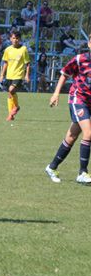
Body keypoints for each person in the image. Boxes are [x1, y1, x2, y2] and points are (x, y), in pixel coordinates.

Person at [46, 36, 91, 185]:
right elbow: (64, 74)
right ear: (90, 44)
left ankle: (52, 167)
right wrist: (56, 94)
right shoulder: (80, 59)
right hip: (77, 99)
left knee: (71, 136)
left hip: (89, 103)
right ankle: (82, 173)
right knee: (89, 133)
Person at [0, 30, 30, 122]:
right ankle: (10, 114)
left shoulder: (23, 49)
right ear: (10, 39)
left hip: (18, 75)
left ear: (19, 39)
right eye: (13, 38)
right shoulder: (8, 50)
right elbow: (5, 63)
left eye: (17, 38)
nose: (15, 40)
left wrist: (27, 75)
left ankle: (16, 106)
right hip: (9, 75)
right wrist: (1, 75)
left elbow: (27, 63)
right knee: (10, 95)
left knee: (11, 90)